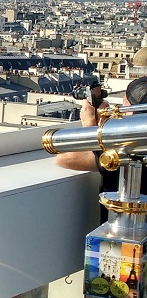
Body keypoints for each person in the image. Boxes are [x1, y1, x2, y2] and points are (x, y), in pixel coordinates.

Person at [55, 77, 147, 222]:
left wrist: (90, 126)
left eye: (123, 108)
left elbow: (64, 158)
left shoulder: (128, 149)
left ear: (132, 112)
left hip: (127, 227)